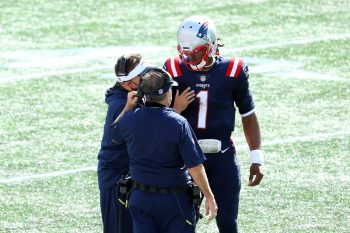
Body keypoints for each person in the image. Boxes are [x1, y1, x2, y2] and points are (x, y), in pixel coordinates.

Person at [163, 15, 264, 233]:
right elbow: (158, 119)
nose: (189, 60)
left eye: (195, 53)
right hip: (184, 158)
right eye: (185, 54)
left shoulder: (233, 70)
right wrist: (175, 110)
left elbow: (248, 114)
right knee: (181, 224)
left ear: (210, 45)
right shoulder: (172, 68)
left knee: (228, 223)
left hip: (222, 157)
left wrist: (257, 157)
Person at [110, 68, 218, 233]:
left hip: (140, 197)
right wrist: (209, 196)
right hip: (174, 201)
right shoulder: (178, 123)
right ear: (168, 93)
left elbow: (114, 135)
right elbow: (194, 167)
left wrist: (127, 108)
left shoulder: (130, 118)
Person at [97, 52, 149, 233]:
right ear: (128, 84)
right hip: (116, 177)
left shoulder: (128, 93)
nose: (146, 78)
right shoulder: (121, 104)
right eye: (142, 76)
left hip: (127, 172)